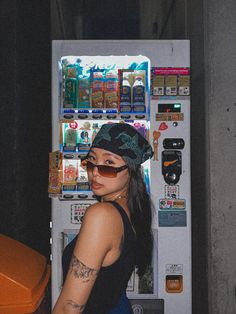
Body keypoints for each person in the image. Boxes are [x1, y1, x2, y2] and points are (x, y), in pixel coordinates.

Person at [52, 122, 154, 314]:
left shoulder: (102, 215)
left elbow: (69, 307)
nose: (95, 172)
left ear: (130, 170)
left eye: (109, 164)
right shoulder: (133, 210)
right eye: (91, 161)